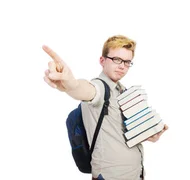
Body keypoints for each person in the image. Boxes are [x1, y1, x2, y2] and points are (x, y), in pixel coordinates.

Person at [43, 35, 169, 180]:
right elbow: (85, 90)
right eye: (117, 59)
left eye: (127, 62)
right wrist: (71, 84)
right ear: (102, 61)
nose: (122, 66)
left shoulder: (122, 91)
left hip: (135, 174)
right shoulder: (100, 87)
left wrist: (149, 134)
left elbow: (121, 134)